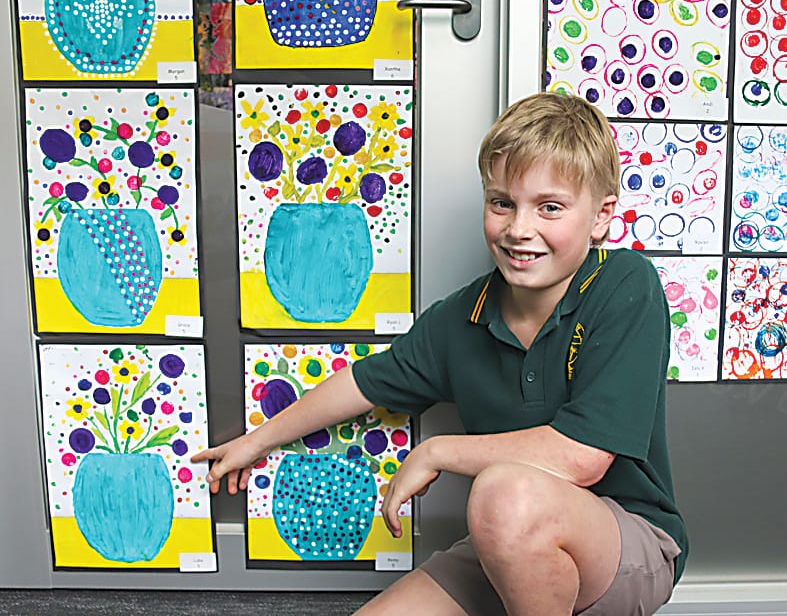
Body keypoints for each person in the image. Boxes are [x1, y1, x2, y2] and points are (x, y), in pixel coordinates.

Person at [192, 92, 687, 615]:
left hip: (625, 541)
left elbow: (581, 457)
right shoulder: (462, 316)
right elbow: (363, 383)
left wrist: (435, 452)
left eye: (550, 208)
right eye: (502, 203)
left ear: (601, 216)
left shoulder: (624, 283)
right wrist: (256, 441)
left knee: (504, 493)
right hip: (509, 540)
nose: (520, 229)